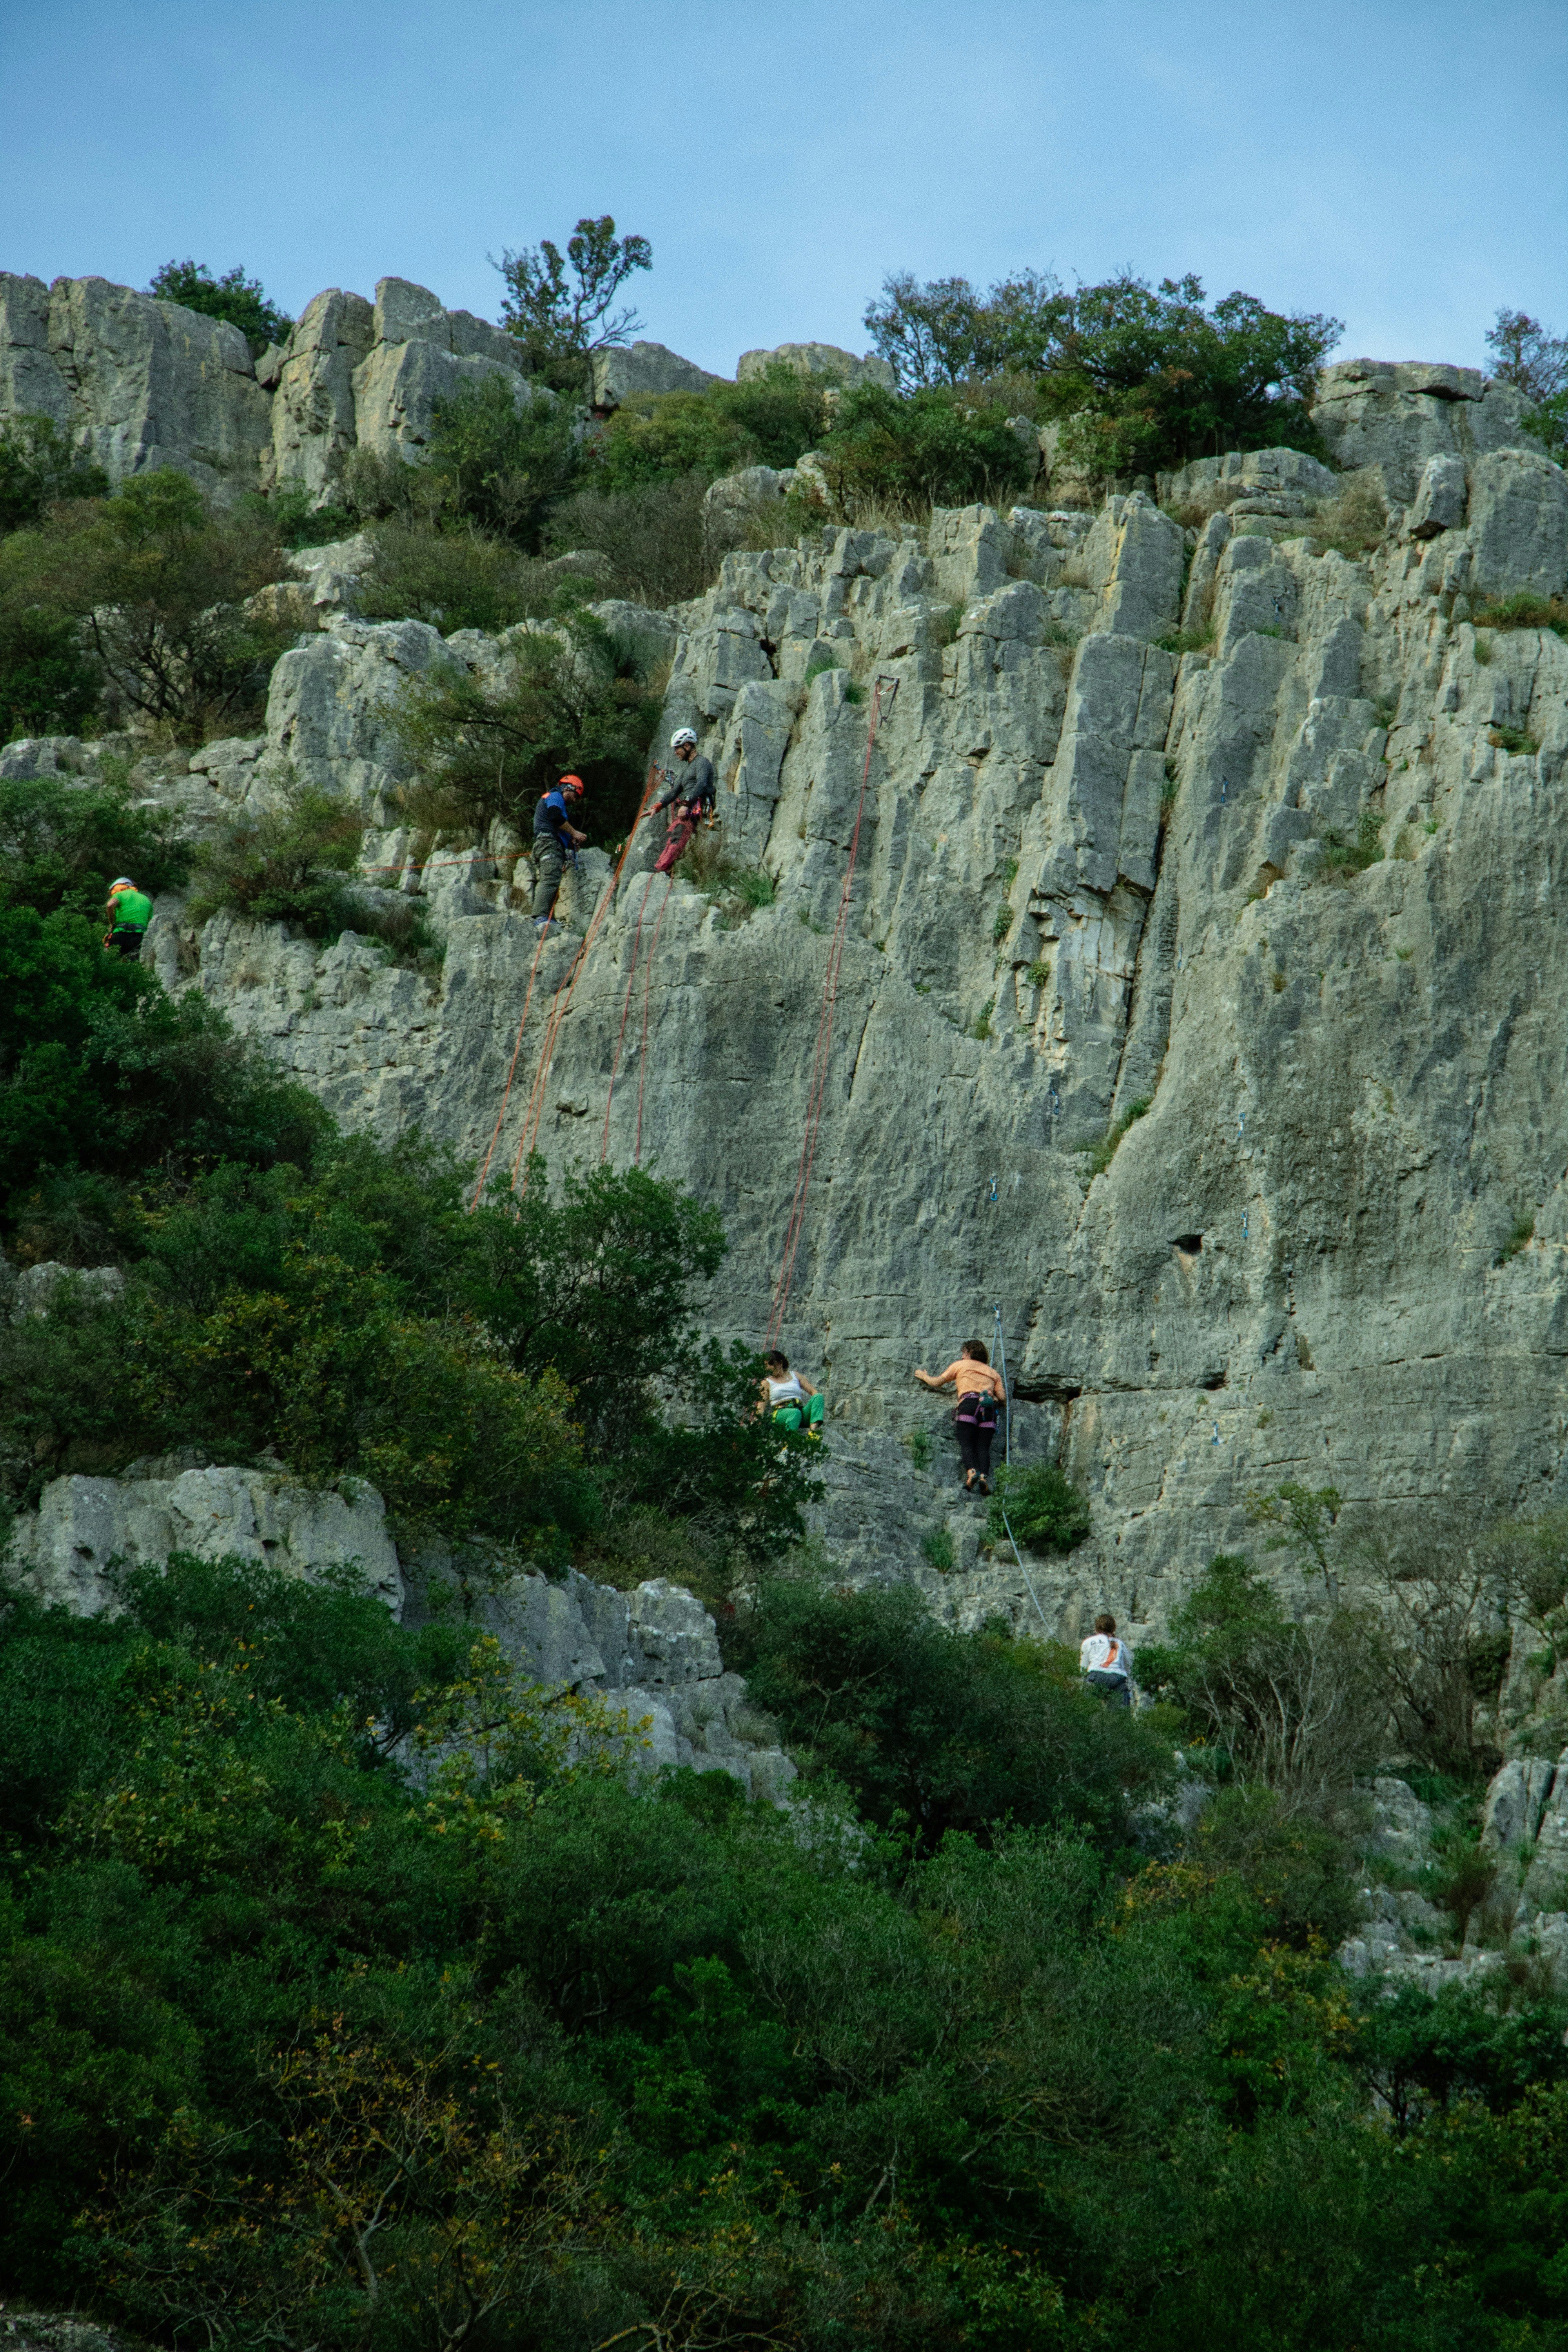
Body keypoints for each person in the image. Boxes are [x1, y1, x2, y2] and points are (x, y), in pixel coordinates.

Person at [913, 1341, 1007, 1495]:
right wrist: (995, 1397)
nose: (962, 1356)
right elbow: (1003, 1397)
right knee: (983, 1448)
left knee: (967, 1444)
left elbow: (937, 1383)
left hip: (969, 1405)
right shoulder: (993, 1373)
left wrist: (924, 1376)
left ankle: (971, 1473)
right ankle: (983, 1478)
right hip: (988, 1408)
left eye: (964, 1353)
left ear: (970, 1352)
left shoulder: (960, 1366)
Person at [653, 728, 715, 876]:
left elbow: (701, 784)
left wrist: (687, 804)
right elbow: (674, 792)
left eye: (677, 749)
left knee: (678, 833)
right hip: (689, 805)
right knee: (671, 834)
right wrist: (658, 806)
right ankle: (663, 867)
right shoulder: (688, 770)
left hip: (697, 804)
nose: (676, 753)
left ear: (687, 747)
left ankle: (662, 868)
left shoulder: (702, 763)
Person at [532, 773, 587, 935]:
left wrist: (571, 841)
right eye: (576, 795)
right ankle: (540, 917)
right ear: (569, 788)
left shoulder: (556, 799)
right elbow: (555, 816)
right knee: (550, 879)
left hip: (549, 843)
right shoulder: (555, 796)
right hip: (548, 843)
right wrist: (575, 833)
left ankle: (545, 916)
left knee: (551, 879)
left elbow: (557, 825)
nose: (575, 800)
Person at [758, 1348, 824, 1436]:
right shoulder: (767, 1382)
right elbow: (760, 1408)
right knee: (795, 1413)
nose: (768, 1368)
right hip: (781, 1413)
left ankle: (812, 1433)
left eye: (770, 1364)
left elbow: (813, 1391)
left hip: (799, 1411)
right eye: (766, 1366)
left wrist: (816, 1406)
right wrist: (755, 1426)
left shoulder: (795, 1376)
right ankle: (789, 1443)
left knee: (819, 1397)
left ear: (780, 1363)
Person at [1079, 1612, 1134, 1708]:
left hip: (1096, 1677)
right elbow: (1129, 1665)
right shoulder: (1120, 1643)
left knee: (1088, 1711)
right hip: (1118, 1678)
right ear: (1114, 1629)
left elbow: (1083, 1668)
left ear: (1096, 1628)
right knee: (1119, 1718)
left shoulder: (1088, 1642)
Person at [103, 875, 153, 957]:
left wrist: (112, 923)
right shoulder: (147, 900)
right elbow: (150, 923)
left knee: (111, 961)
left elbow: (110, 905)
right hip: (138, 938)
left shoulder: (120, 895)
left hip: (119, 935)